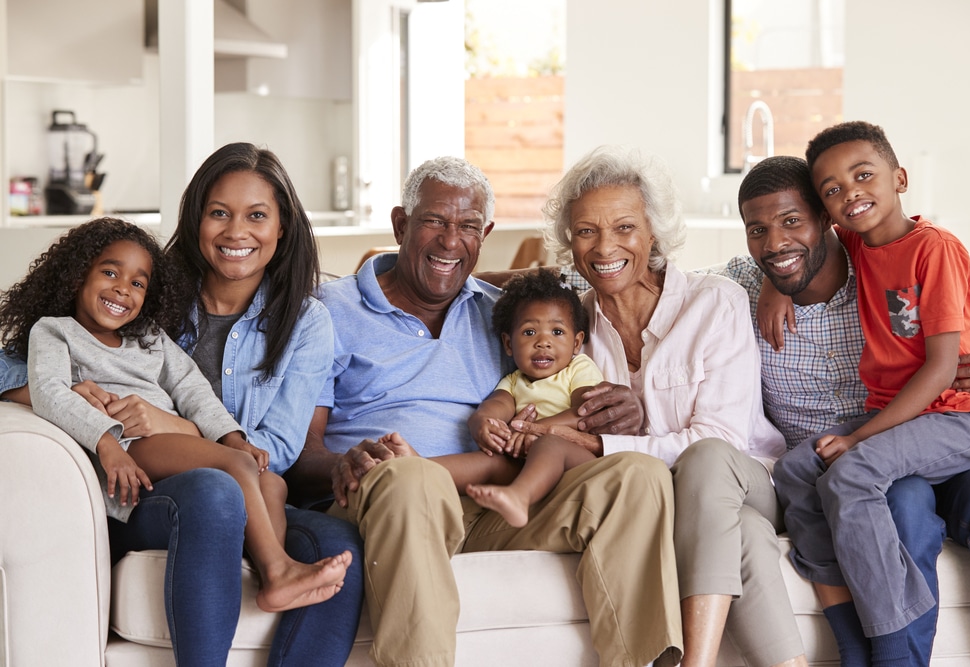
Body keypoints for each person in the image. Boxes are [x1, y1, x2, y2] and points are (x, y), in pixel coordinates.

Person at [284, 155, 683, 667]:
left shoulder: (501, 313)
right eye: (434, 221)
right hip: (392, 497)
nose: (452, 241)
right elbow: (298, 453)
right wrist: (344, 463)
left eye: (468, 226)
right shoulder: (328, 310)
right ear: (401, 224)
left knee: (639, 474)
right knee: (411, 478)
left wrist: (614, 405)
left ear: (485, 233)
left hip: (493, 503)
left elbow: (557, 366)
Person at [0, 143, 364, 666]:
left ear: (281, 228)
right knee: (216, 488)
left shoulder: (304, 322)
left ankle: (277, 566)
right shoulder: (146, 290)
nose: (237, 232)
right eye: (219, 213)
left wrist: (184, 429)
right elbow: (12, 363)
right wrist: (64, 390)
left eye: (257, 216)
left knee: (336, 541)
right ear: (197, 220)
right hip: (142, 483)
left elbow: (275, 447)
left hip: (238, 476)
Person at [511, 145, 806, 667]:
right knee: (749, 540)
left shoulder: (714, 302)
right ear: (569, 242)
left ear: (653, 233)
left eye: (624, 228)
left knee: (710, 459)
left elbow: (721, 441)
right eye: (585, 231)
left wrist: (604, 443)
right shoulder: (570, 330)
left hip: (749, 481)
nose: (605, 247)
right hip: (667, 508)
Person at [729, 154, 970, 665]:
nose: (776, 241)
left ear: (827, 222)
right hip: (871, 456)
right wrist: (775, 278)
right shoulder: (743, 283)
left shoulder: (891, 259)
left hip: (945, 433)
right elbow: (631, 283)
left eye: (792, 222)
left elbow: (968, 332)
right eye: (758, 230)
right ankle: (886, 655)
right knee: (902, 503)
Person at [463, 268, 604, 526]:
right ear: (508, 344)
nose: (543, 342)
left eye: (557, 332)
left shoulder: (578, 368)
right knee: (488, 460)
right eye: (529, 332)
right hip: (525, 462)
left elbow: (585, 412)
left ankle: (519, 497)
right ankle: (418, 468)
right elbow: (495, 406)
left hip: (576, 461)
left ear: (576, 342)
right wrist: (482, 423)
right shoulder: (514, 381)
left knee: (549, 443)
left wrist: (535, 430)